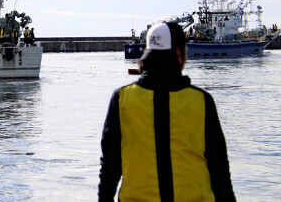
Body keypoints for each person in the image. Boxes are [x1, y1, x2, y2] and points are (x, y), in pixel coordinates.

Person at [98, 22, 235, 202]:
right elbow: (220, 174)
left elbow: (109, 171)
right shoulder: (201, 101)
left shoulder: (122, 99)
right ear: (178, 54)